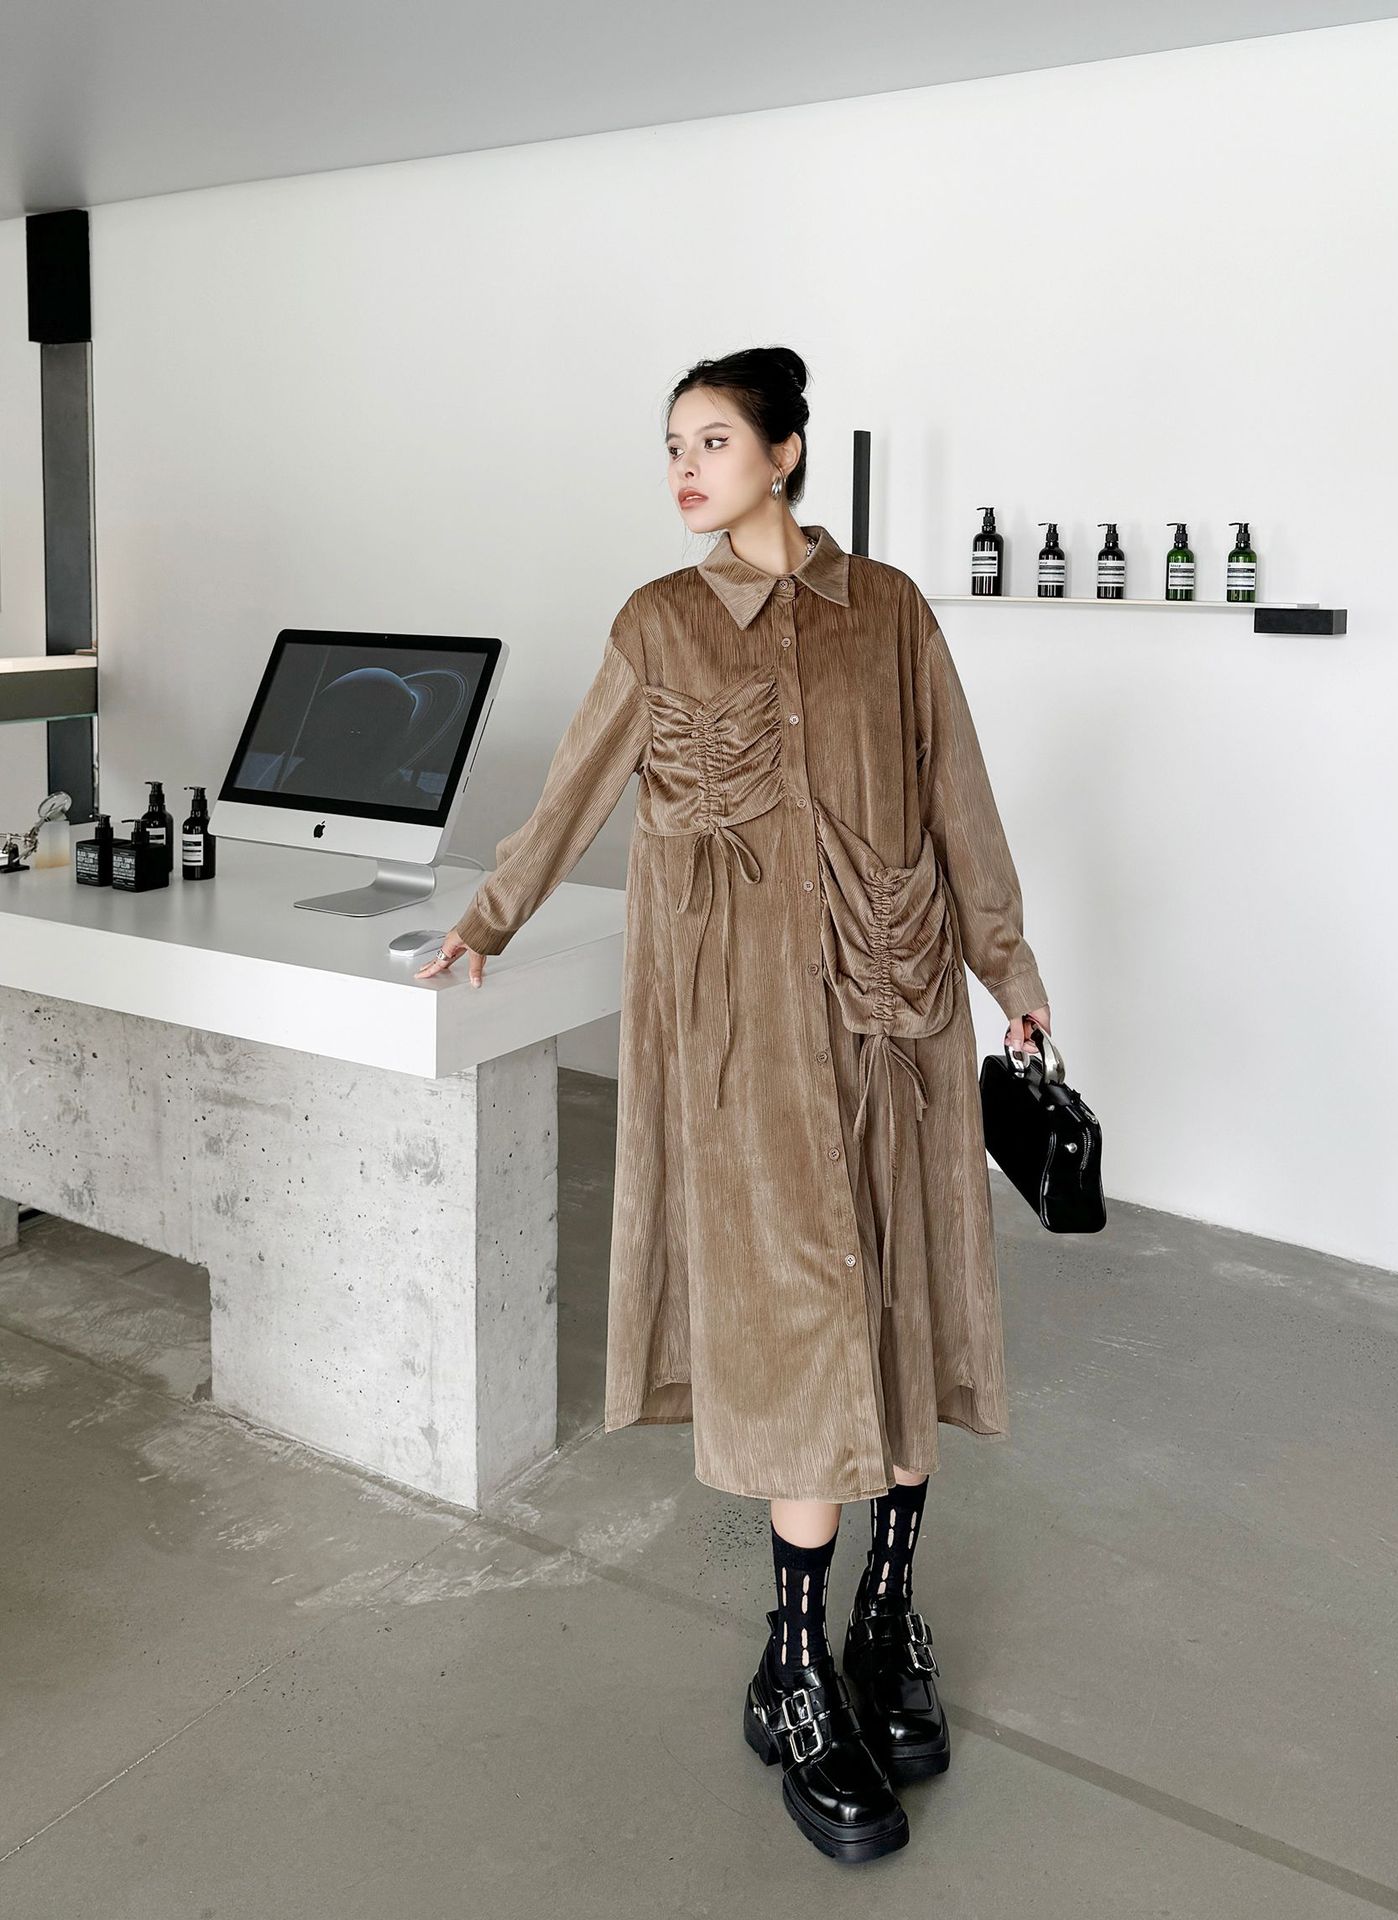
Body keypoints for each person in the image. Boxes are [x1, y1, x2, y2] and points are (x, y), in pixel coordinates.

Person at [416, 346, 1051, 1864]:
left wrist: (1010, 973)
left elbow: (958, 798)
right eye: (672, 446)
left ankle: (885, 1619)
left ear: (783, 454)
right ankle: (791, 1667)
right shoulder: (659, 622)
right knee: (797, 1339)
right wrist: (490, 917)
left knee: (906, 1306)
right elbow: (573, 790)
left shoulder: (890, 610)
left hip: (896, 1012)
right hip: (743, 1043)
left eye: (711, 441)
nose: (684, 470)